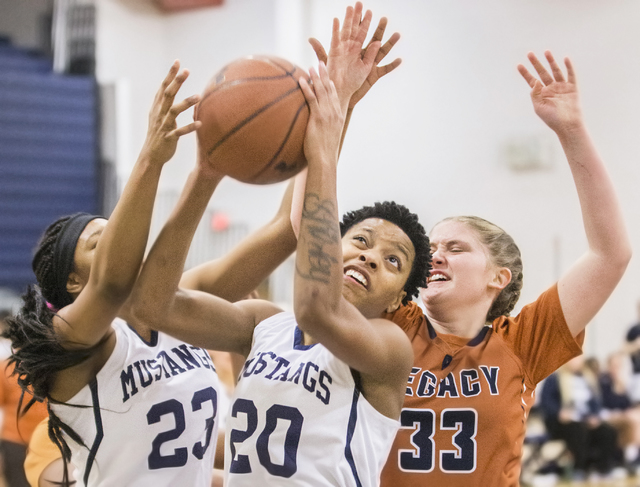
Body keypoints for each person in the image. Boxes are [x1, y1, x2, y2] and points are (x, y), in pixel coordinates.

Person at [130, 5, 431, 485]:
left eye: (392, 261)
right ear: (332, 245)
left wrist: (327, 138)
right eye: (361, 241)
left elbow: (317, 307)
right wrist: (206, 174)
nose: (371, 255)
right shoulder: (264, 327)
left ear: (398, 297)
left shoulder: (388, 349)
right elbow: (152, 305)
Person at [379, 51, 632, 486]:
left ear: (498, 278)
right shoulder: (392, 324)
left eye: (455, 248)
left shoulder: (523, 343)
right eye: (432, 247)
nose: (435, 255)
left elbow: (611, 254)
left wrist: (571, 131)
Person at [3, 63, 217, 487]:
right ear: (73, 284)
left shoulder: (172, 313)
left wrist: (210, 169)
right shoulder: (68, 337)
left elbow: (281, 233)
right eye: (103, 243)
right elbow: (112, 283)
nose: (127, 250)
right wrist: (151, 158)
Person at [540, 356, 621, 480]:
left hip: (584, 419)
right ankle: (579, 469)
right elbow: (546, 402)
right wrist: (558, 412)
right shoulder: (554, 378)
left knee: (608, 432)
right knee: (579, 431)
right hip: (562, 422)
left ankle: (602, 468)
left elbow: (595, 402)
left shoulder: (587, 378)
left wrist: (595, 416)